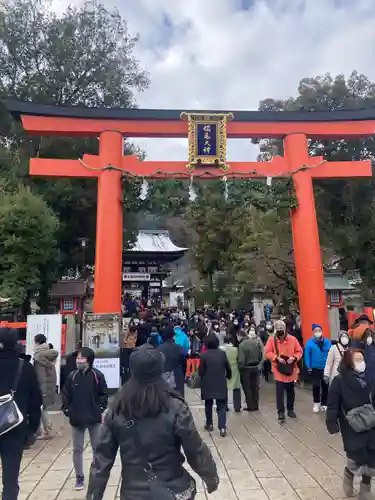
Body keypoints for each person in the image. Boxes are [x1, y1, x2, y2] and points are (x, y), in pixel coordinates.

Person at [86, 344, 219, 500]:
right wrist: (210, 477)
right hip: (173, 488)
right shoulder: (175, 406)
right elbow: (195, 448)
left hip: (133, 492)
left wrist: (94, 495)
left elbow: (101, 460)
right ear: (159, 370)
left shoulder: (117, 408)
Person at [326, 349, 375, 500]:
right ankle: (349, 474)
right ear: (349, 361)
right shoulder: (339, 380)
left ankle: (365, 488)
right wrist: (332, 423)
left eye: (362, 359)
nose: (361, 363)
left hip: (371, 421)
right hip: (351, 424)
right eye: (357, 360)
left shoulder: (371, 377)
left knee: (372, 456)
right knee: (356, 455)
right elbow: (333, 404)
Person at [0, 328, 42, 500]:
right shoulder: (24, 367)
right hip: (15, 428)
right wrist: (31, 430)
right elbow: (35, 402)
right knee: (10, 479)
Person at [62, 347, 108, 491]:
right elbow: (66, 395)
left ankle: (96, 474)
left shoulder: (97, 375)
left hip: (93, 418)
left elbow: (103, 394)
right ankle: (79, 476)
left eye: (81, 358)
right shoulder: (72, 376)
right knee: (77, 449)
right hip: (76, 418)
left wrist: (100, 408)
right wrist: (67, 410)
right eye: (78, 358)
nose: (78, 360)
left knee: (97, 448)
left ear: (88, 360)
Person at [264, 319, 303, 423]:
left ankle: (290, 409)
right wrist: (276, 357)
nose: (280, 330)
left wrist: (294, 358)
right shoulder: (272, 340)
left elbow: (299, 351)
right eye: (278, 329)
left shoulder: (293, 339)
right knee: (279, 391)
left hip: (291, 368)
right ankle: (280, 412)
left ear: (285, 329)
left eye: (281, 328)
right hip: (278, 368)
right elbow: (267, 353)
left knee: (291, 391)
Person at [199, 333, 232, 437]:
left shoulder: (203, 355)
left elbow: (201, 371)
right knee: (221, 406)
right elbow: (228, 367)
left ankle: (209, 424)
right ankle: (222, 427)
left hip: (208, 383)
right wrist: (229, 376)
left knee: (208, 404)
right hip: (220, 383)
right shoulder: (222, 354)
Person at [33, 333, 59, 439]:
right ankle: (43, 430)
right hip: (50, 384)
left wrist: (41, 390)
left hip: (42, 385)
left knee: (41, 407)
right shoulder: (49, 353)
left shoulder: (38, 355)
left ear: (37, 342)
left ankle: (47, 430)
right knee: (43, 408)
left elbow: (41, 375)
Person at [304, 324, 332, 413]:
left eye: (319, 330)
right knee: (316, 386)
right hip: (314, 368)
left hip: (325, 367)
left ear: (322, 331)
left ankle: (324, 403)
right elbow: (307, 356)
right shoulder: (309, 343)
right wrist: (309, 366)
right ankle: (316, 402)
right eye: (315, 331)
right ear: (313, 332)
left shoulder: (327, 342)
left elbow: (330, 353)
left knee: (325, 386)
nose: (317, 332)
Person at [237, 328, 264, 412]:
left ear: (239, 336)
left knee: (247, 387)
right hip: (255, 367)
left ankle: (250, 405)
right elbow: (260, 354)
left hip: (246, 369)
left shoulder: (241, 345)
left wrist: (239, 367)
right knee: (255, 387)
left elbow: (241, 360)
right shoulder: (255, 342)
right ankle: (256, 405)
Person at [158, 327, 185, 396]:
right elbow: (184, 363)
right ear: (173, 336)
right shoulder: (179, 348)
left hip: (163, 378)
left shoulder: (158, 349)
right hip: (177, 377)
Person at [221, 335, 241, 412]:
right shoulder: (235, 349)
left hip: (224, 370)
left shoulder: (221, 350)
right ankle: (237, 407)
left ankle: (225, 406)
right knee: (236, 388)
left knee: (224, 389)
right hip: (235, 370)